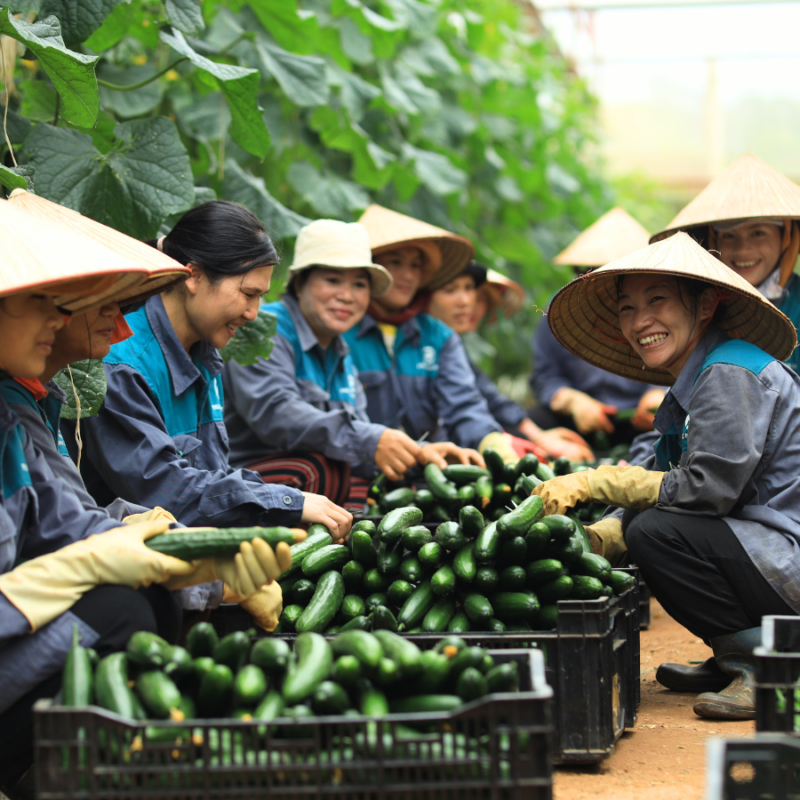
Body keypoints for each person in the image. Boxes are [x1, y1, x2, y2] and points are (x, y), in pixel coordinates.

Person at [0, 199, 291, 793]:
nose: (123, 326)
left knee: (151, 599)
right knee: (123, 609)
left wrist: (200, 564)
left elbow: (73, 523)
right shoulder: (29, 407)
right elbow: (146, 497)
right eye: (51, 304)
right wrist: (78, 569)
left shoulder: (25, 407)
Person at [530, 231, 800, 721]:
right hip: (766, 550)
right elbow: (658, 471)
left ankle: (769, 663)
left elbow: (704, 492)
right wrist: (599, 537)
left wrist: (596, 482)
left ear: (705, 306)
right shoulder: (696, 382)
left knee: (656, 532)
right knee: (641, 526)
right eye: (627, 308)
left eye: (657, 301)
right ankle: (733, 653)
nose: (640, 321)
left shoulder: (728, 372)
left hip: (787, 556)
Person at [66, 200, 352, 542]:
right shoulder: (121, 364)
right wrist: (284, 501)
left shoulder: (205, 350)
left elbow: (213, 474)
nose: (252, 313)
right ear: (195, 276)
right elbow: (164, 492)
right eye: (248, 294)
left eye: (260, 297)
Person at [224, 220, 480, 506]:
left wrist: (420, 452)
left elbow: (358, 430)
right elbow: (276, 413)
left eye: (359, 285)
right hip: (247, 478)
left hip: (311, 485)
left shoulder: (341, 351)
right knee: (324, 470)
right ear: (300, 284)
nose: (346, 296)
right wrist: (372, 441)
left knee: (404, 488)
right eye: (333, 281)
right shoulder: (263, 327)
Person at [343, 204, 521, 464]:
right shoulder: (342, 331)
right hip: (359, 468)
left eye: (415, 265)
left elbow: (464, 405)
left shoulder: (439, 336)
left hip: (429, 470)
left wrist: (495, 445)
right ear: (371, 266)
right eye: (395, 262)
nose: (407, 275)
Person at [427, 261, 593, 461]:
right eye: (450, 290)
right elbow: (542, 377)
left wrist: (537, 437)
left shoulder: (452, 347)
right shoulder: (430, 345)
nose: (467, 303)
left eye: (471, 291)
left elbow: (490, 401)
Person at [650, 153, 800, 373]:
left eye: (758, 233)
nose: (742, 248)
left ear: (785, 238)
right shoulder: (702, 304)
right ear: (714, 240)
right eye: (729, 236)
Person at [530, 208, 665, 447]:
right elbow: (544, 375)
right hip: (581, 419)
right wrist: (573, 401)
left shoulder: (656, 309)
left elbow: (677, 360)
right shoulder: (557, 311)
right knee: (531, 423)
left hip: (640, 418)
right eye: (591, 273)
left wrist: (658, 394)